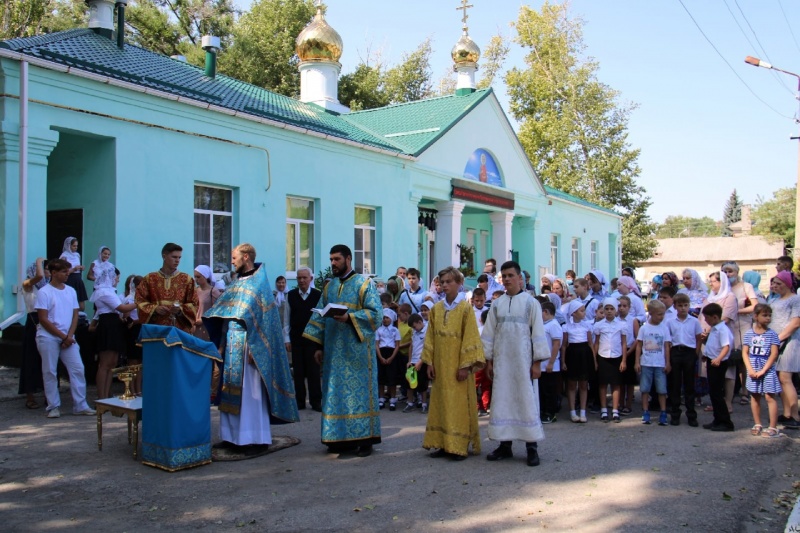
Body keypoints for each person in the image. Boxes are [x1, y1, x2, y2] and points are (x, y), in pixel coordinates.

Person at [203, 243, 299, 454]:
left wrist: (260, 351)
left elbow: (266, 321)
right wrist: (220, 342)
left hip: (250, 346)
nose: (232, 261)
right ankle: (231, 437)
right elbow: (226, 313)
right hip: (232, 344)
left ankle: (255, 439)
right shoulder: (237, 282)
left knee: (250, 395)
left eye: (234, 257)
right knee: (231, 391)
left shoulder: (259, 284)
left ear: (246, 257)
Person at [303, 245, 382, 457]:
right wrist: (318, 346)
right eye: (331, 260)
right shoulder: (330, 287)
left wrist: (350, 318)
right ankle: (338, 439)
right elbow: (319, 316)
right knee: (335, 394)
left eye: (337, 259)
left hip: (357, 353)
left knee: (359, 397)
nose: (333, 263)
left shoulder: (364, 284)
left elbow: (376, 314)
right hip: (333, 353)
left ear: (348, 259)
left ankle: (365, 440)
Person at [481, 261, 550, 467]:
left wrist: (536, 363)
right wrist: (490, 361)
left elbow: (537, 334)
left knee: (526, 402)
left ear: (520, 278)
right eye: (504, 276)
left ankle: (531, 447)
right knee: (502, 401)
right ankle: (505, 446)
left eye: (511, 275)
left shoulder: (531, 303)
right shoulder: (496, 304)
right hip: (502, 363)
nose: (508, 279)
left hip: (523, 363)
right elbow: (489, 335)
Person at [422, 266, 485, 460]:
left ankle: (459, 445)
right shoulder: (437, 309)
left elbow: (471, 338)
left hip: (458, 367)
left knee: (458, 405)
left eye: (450, 281)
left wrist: (465, 366)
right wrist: (429, 362)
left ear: (459, 283)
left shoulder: (466, 308)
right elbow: (430, 336)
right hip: (440, 366)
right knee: (441, 403)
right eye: (442, 282)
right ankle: (443, 442)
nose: (445, 285)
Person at [34, 259, 95, 418]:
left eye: (68, 271)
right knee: (50, 371)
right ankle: (53, 406)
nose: (67, 274)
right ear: (54, 273)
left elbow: (75, 314)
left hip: (68, 337)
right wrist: (62, 336)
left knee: (78, 369)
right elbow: (43, 319)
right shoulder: (44, 292)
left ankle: (80, 404)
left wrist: (69, 336)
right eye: (64, 272)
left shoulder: (71, 291)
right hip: (48, 337)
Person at [92, 266, 136, 399]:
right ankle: (101, 396)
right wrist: (140, 302)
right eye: (116, 277)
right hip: (108, 325)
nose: (117, 280)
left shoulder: (110, 291)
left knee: (112, 363)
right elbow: (122, 308)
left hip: (114, 324)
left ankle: (106, 395)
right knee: (105, 364)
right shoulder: (104, 292)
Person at [283, 266, 322, 411]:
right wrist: (287, 339)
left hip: (313, 340)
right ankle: (300, 401)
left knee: (314, 372)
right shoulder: (291, 295)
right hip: (296, 339)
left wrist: (320, 343)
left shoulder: (318, 295)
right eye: (299, 278)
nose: (301, 280)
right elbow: (286, 319)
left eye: (304, 277)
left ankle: (316, 401)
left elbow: (321, 320)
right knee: (298, 372)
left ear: (310, 279)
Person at [136, 243, 198, 333]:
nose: (177, 260)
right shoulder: (150, 279)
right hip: (155, 329)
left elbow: (194, 303)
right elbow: (139, 300)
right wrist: (155, 308)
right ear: (164, 256)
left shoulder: (187, 280)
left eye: (179, 257)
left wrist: (180, 310)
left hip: (179, 329)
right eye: (174, 257)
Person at [721, 261, 758, 407]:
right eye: (725, 271)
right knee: (729, 360)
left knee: (743, 359)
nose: (728, 274)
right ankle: (728, 393)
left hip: (742, 325)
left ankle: (744, 391)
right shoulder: (723, 287)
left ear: (737, 272)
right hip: (726, 327)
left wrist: (736, 311)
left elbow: (755, 305)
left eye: (730, 271)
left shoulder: (745, 287)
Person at [701, 271, 739, 415]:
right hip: (712, 354)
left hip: (719, 358)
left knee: (721, 384)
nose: (711, 284)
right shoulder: (711, 298)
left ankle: (724, 414)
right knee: (714, 389)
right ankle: (718, 415)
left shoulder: (729, 298)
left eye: (714, 281)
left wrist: (717, 358)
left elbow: (726, 345)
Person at [743, 303, 782, 438]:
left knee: (770, 396)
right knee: (754, 395)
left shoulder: (772, 334)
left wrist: (764, 370)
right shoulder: (749, 334)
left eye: (770, 315)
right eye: (764, 315)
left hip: (767, 368)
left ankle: (773, 426)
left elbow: (774, 354)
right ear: (755, 316)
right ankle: (757, 423)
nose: (768, 318)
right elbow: (745, 353)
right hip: (753, 367)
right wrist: (750, 369)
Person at [767, 271, 800, 430]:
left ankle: (795, 414)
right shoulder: (775, 300)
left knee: (786, 377)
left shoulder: (795, 299)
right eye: (774, 283)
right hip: (776, 342)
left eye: (779, 284)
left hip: (790, 342)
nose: (775, 286)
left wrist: (779, 338)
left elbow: (795, 323)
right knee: (780, 378)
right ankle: (786, 413)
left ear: (787, 284)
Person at [667, 293, 703, 427]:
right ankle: (675, 414)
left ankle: (691, 415)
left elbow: (699, 338)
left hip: (689, 352)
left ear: (689, 306)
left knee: (689, 385)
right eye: (680, 305)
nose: (683, 308)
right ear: (675, 306)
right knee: (675, 384)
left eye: (685, 305)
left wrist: (696, 353)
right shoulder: (670, 322)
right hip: (676, 351)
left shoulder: (694, 321)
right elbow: (668, 340)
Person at [635, 299, 671, 426]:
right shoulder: (644, 328)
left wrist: (667, 362)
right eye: (659, 314)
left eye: (663, 314)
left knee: (662, 389)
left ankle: (663, 412)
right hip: (646, 363)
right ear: (650, 313)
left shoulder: (664, 328)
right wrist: (637, 362)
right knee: (645, 388)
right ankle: (645, 411)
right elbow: (639, 345)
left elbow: (666, 346)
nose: (662, 317)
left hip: (660, 363)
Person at [18, 258, 48, 409]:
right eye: (45, 269)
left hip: (47, 321)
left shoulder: (47, 287)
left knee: (47, 360)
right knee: (31, 359)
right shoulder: (27, 284)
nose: (47, 273)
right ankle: (30, 395)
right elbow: (39, 277)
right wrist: (38, 263)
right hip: (34, 321)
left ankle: (48, 394)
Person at [592, 298, 627, 423]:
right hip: (603, 357)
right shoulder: (599, 325)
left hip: (616, 357)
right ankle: (603, 410)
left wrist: (624, 360)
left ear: (616, 310)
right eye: (606, 309)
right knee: (602, 384)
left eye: (612, 309)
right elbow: (596, 343)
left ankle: (615, 410)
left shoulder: (621, 325)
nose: (609, 311)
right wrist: (595, 360)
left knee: (616, 384)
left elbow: (623, 343)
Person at [701, 303, 734, 432]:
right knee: (713, 393)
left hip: (718, 363)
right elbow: (713, 345)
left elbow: (726, 346)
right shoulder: (715, 329)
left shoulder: (722, 329)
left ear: (714, 317)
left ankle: (725, 421)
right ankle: (717, 419)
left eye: (707, 318)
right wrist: (706, 355)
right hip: (711, 360)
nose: (705, 320)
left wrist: (719, 358)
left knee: (717, 393)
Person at [561, 300, 592, 423]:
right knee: (572, 384)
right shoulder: (566, 326)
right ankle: (572, 411)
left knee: (584, 384)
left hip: (584, 354)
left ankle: (583, 411)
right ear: (573, 313)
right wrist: (563, 361)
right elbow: (564, 345)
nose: (584, 313)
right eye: (581, 310)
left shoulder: (587, 325)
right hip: (572, 354)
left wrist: (593, 361)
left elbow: (590, 343)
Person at [539, 300, 563, 424]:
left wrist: (551, 362)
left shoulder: (553, 325)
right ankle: (543, 411)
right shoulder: (545, 325)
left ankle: (551, 412)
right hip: (541, 365)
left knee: (550, 391)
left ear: (546, 312)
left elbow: (556, 344)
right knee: (542, 390)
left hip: (550, 366)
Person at [122, 274, 143, 396]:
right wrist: (134, 321)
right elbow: (126, 315)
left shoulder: (144, 297)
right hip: (133, 329)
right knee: (132, 362)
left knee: (140, 362)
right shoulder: (130, 298)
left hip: (141, 328)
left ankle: (138, 389)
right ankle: (131, 389)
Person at [617, 295, 639, 416]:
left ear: (629, 307)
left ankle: (628, 404)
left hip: (630, 350)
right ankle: (619, 403)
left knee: (629, 381)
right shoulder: (615, 320)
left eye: (624, 306)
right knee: (620, 380)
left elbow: (637, 338)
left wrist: (629, 352)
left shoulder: (633, 320)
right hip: (618, 351)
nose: (621, 308)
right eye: (619, 306)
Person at [376, 308, 401, 411]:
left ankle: (393, 399)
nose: (384, 320)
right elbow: (376, 344)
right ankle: (381, 398)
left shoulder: (395, 330)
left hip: (391, 353)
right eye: (383, 318)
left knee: (392, 377)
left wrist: (391, 357)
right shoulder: (378, 330)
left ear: (391, 319)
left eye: (386, 318)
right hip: (381, 352)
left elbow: (397, 345)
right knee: (381, 377)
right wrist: (380, 357)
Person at [404, 313, 429, 413]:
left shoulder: (427, 331)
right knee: (409, 383)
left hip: (422, 361)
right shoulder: (414, 332)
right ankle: (410, 403)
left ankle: (423, 404)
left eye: (415, 326)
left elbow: (427, 348)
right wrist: (409, 360)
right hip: (413, 361)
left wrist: (420, 361)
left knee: (422, 384)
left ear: (420, 322)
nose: (414, 329)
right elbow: (411, 346)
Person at [193, 265, 222, 342]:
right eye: (195, 277)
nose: (196, 279)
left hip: (207, 327)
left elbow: (217, 310)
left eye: (198, 277)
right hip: (195, 327)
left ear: (205, 277)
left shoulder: (213, 291)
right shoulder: (195, 291)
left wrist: (203, 320)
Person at [59, 237, 88, 311]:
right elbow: (62, 271)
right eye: (74, 246)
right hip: (69, 279)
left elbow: (77, 266)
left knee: (81, 306)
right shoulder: (64, 256)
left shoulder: (77, 255)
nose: (76, 247)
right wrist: (74, 269)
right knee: (69, 303)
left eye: (76, 246)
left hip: (77, 279)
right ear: (69, 245)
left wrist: (81, 268)